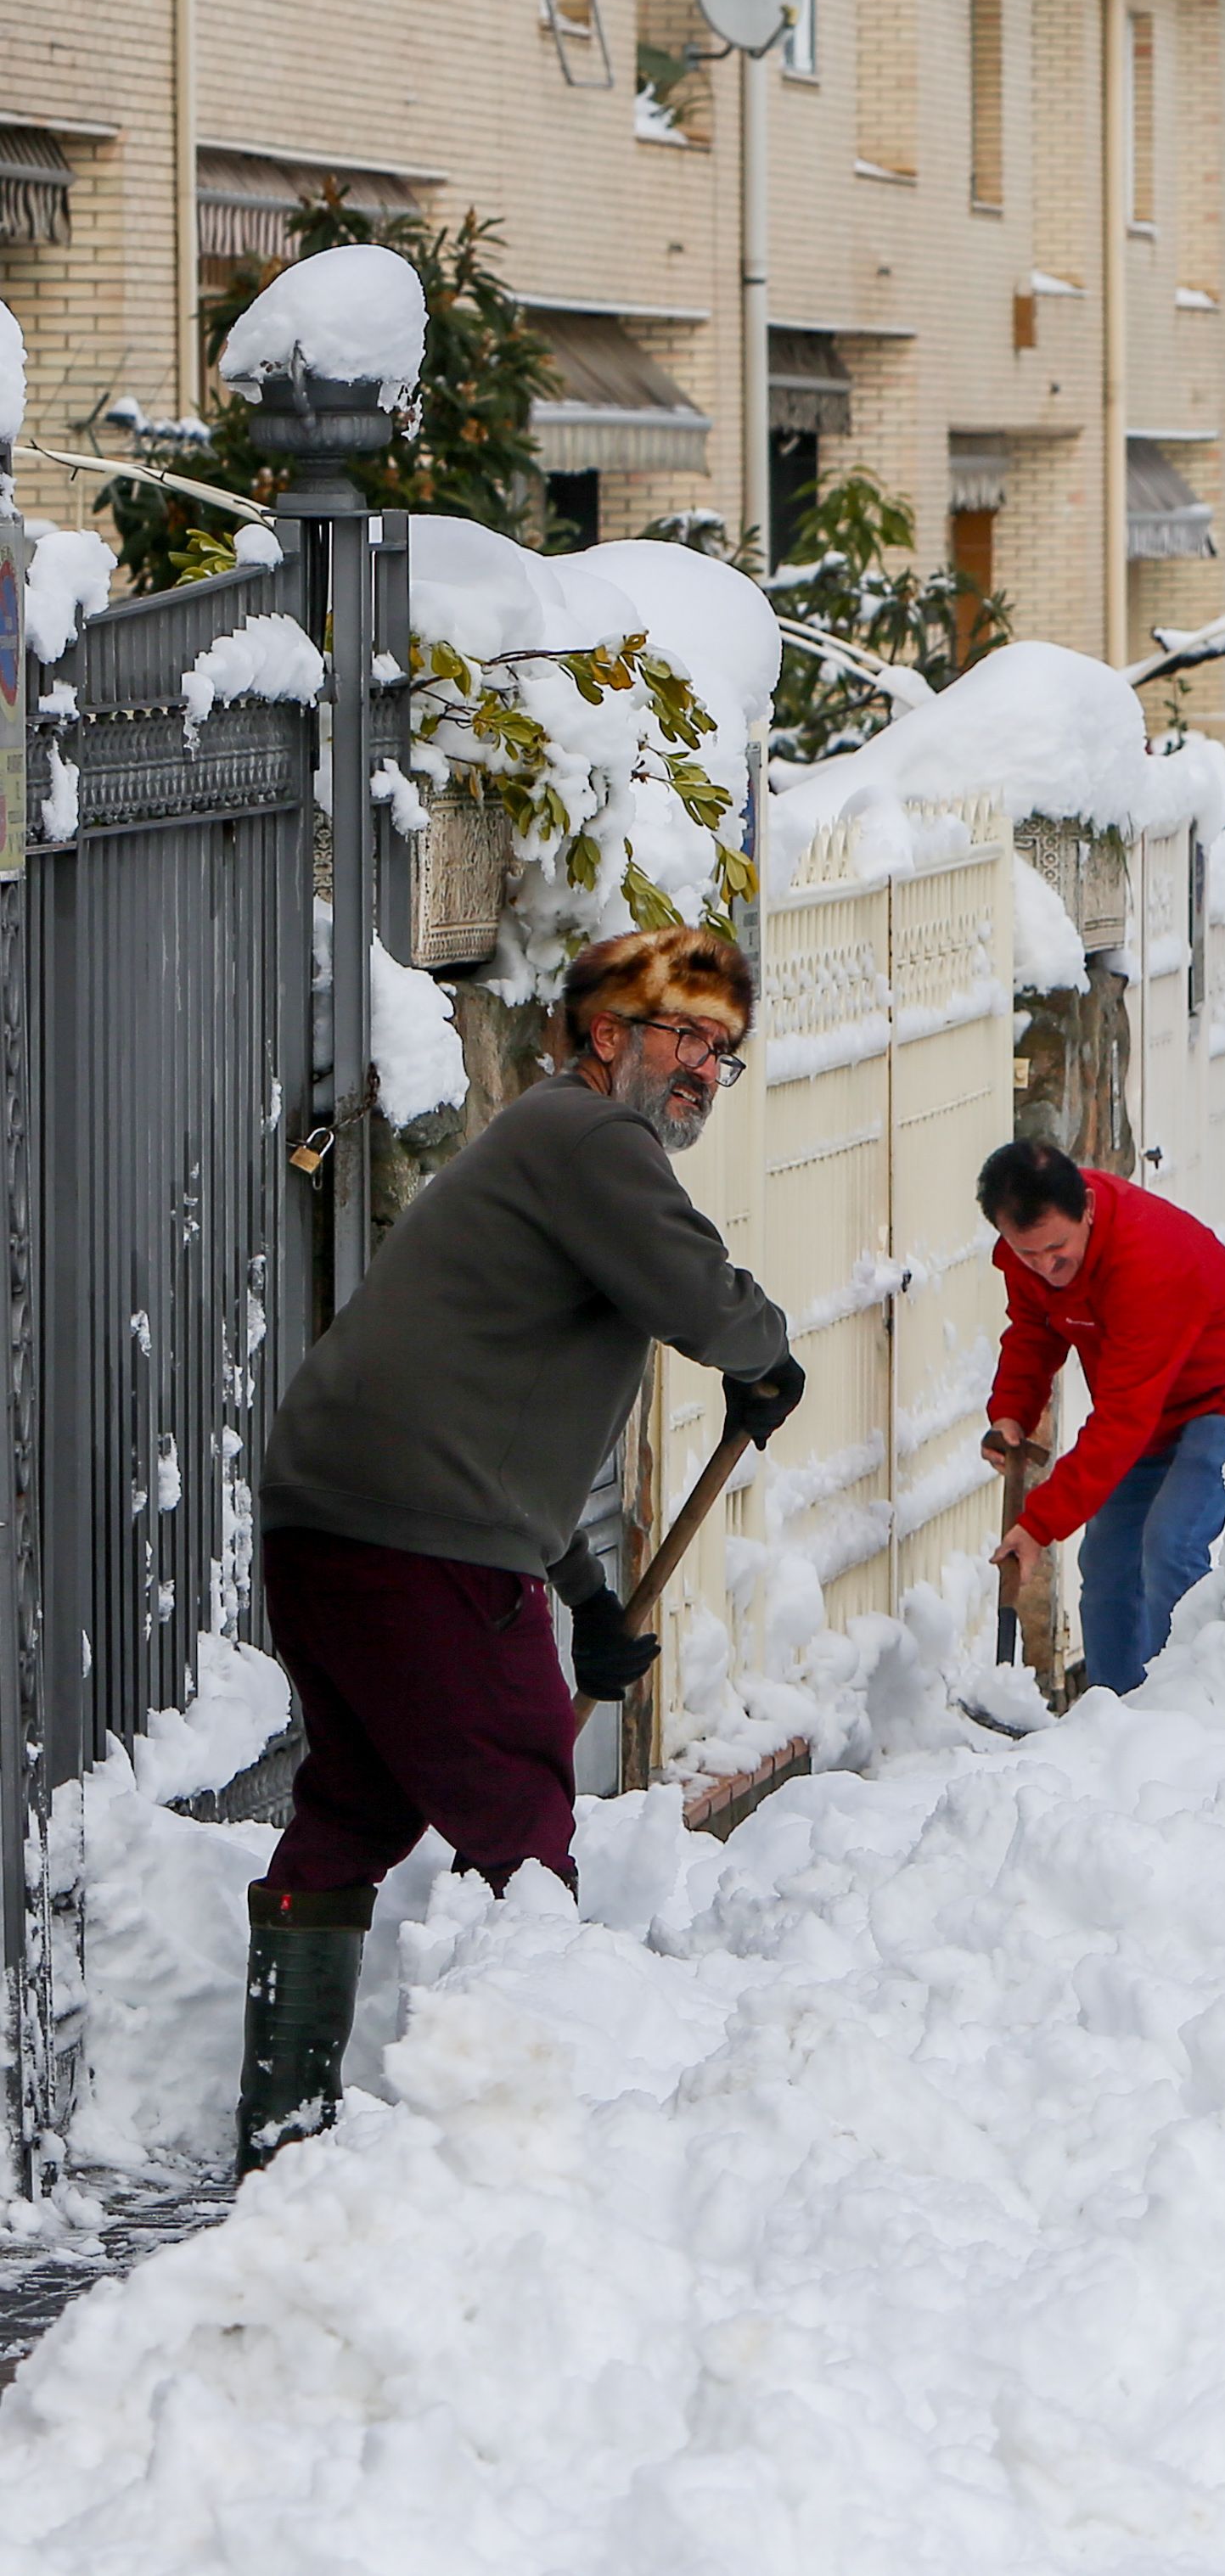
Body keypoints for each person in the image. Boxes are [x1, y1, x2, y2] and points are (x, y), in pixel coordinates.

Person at [240, 925, 804, 2172]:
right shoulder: (592, 1137)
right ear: (607, 1034)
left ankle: (283, 2136)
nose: (704, 1068)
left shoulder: (550, 1146)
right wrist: (764, 1355)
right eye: (686, 1036)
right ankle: (519, 2159)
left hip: (334, 1519)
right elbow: (694, 1287)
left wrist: (587, 1594)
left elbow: (505, 1421)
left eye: (722, 1050)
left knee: (355, 1806)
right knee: (522, 1833)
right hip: (416, 1540)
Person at [977, 1139, 1225, 1697]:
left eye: (1057, 1250)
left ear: (1086, 1207)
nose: (1047, 1268)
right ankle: (1113, 1713)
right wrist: (1011, 1412)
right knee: (1106, 1565)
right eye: (1028, 1255)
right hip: (1149, 1405)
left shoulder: (1147, 1259)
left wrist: (1037, 1525)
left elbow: (1123, 1420)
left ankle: (1187, 1709)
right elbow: (1034, 1330)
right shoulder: (1031, 1255)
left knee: (1171, 1545)